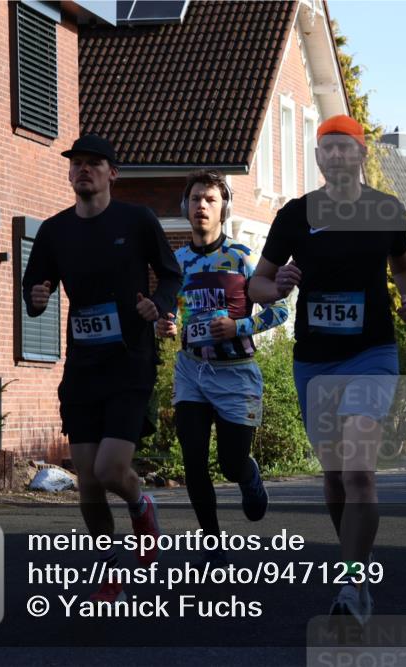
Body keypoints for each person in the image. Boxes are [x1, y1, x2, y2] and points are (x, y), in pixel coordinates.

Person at [248, 114, 406, 623]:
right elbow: (256, 285)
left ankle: (352, 583)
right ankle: (355, 570)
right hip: (316, 361)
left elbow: (404, 265)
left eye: (347, 147)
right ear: (318, 157)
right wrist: (277, 286)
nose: (338, 155)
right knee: (334, 477)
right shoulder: (295, 215)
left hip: (372, 354)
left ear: (362, 154)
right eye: (329, 148)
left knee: (358, 471)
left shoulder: (386, 211)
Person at [22, 134, 183, 602]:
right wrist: (37, 296)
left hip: (130, 360)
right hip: (83, 366)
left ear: (113, 172)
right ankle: (109, 566)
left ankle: (140, 504)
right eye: (77, 163)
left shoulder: (137, 220)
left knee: (112, 469)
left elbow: (171, 273)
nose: (83, 170)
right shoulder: (54, 230)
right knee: (88, 480)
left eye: (94, 163)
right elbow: (34, 286)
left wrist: (159, 304)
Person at [156, 170, 288, 567]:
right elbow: (168, 310)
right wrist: (166, 323)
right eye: (196, 198)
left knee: (230, 463)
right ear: (185, 207)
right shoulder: (176, 262)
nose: (202, 205)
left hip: (236, 371)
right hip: (191, 370)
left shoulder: (242, 258)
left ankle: (248, 475)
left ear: (223, 209)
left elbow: (281, 310)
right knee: (193, 457)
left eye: (210, 199)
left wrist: (238, 326)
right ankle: (212, 544)